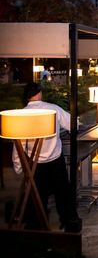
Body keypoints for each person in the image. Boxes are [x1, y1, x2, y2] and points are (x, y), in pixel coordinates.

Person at [12, 82, 82, 232]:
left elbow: (18, 145)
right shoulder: (53, 109)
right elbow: (73, 123)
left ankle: (38, 227)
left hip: (34, 162)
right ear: (39, 93)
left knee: (38, 195)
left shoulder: (21, 114)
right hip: (55, 158)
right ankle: (69, 222)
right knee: (63, 192)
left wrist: (18, 167)